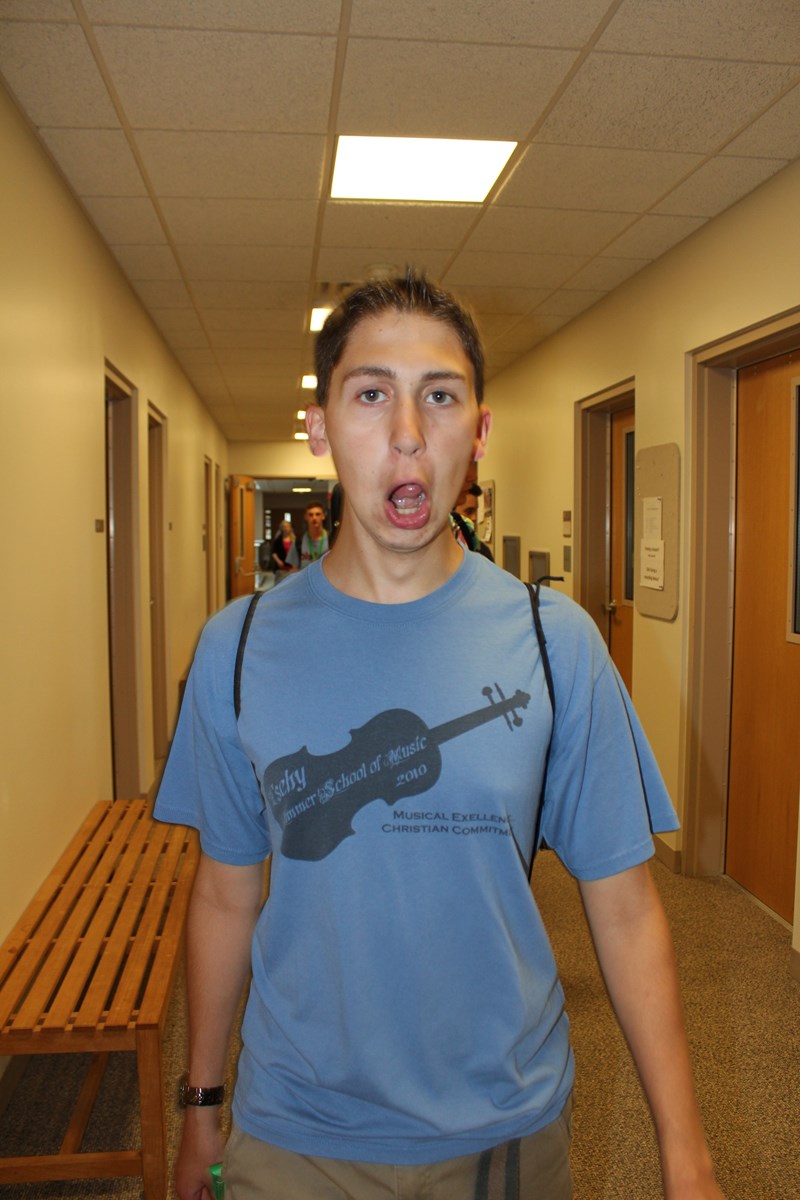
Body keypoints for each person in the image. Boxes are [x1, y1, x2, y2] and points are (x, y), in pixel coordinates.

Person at [154, 269, 724, 1200]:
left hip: (502, 1127)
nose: (409, 434)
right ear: (321, 428)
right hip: (294, 1129)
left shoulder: (555, 642)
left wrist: (684, 1149)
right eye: (371, 394)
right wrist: (200, 1105)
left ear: (479, 433)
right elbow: (225, 893)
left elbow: (625, 909)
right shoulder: (239, 646)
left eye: (441, 397)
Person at [285, 500, 329, 569]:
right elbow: (294, 569)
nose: (314, 518)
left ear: (323, 516)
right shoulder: (299, 542)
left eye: (318, 514)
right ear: (306, 517)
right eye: (310, 515)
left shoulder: (332, 540)